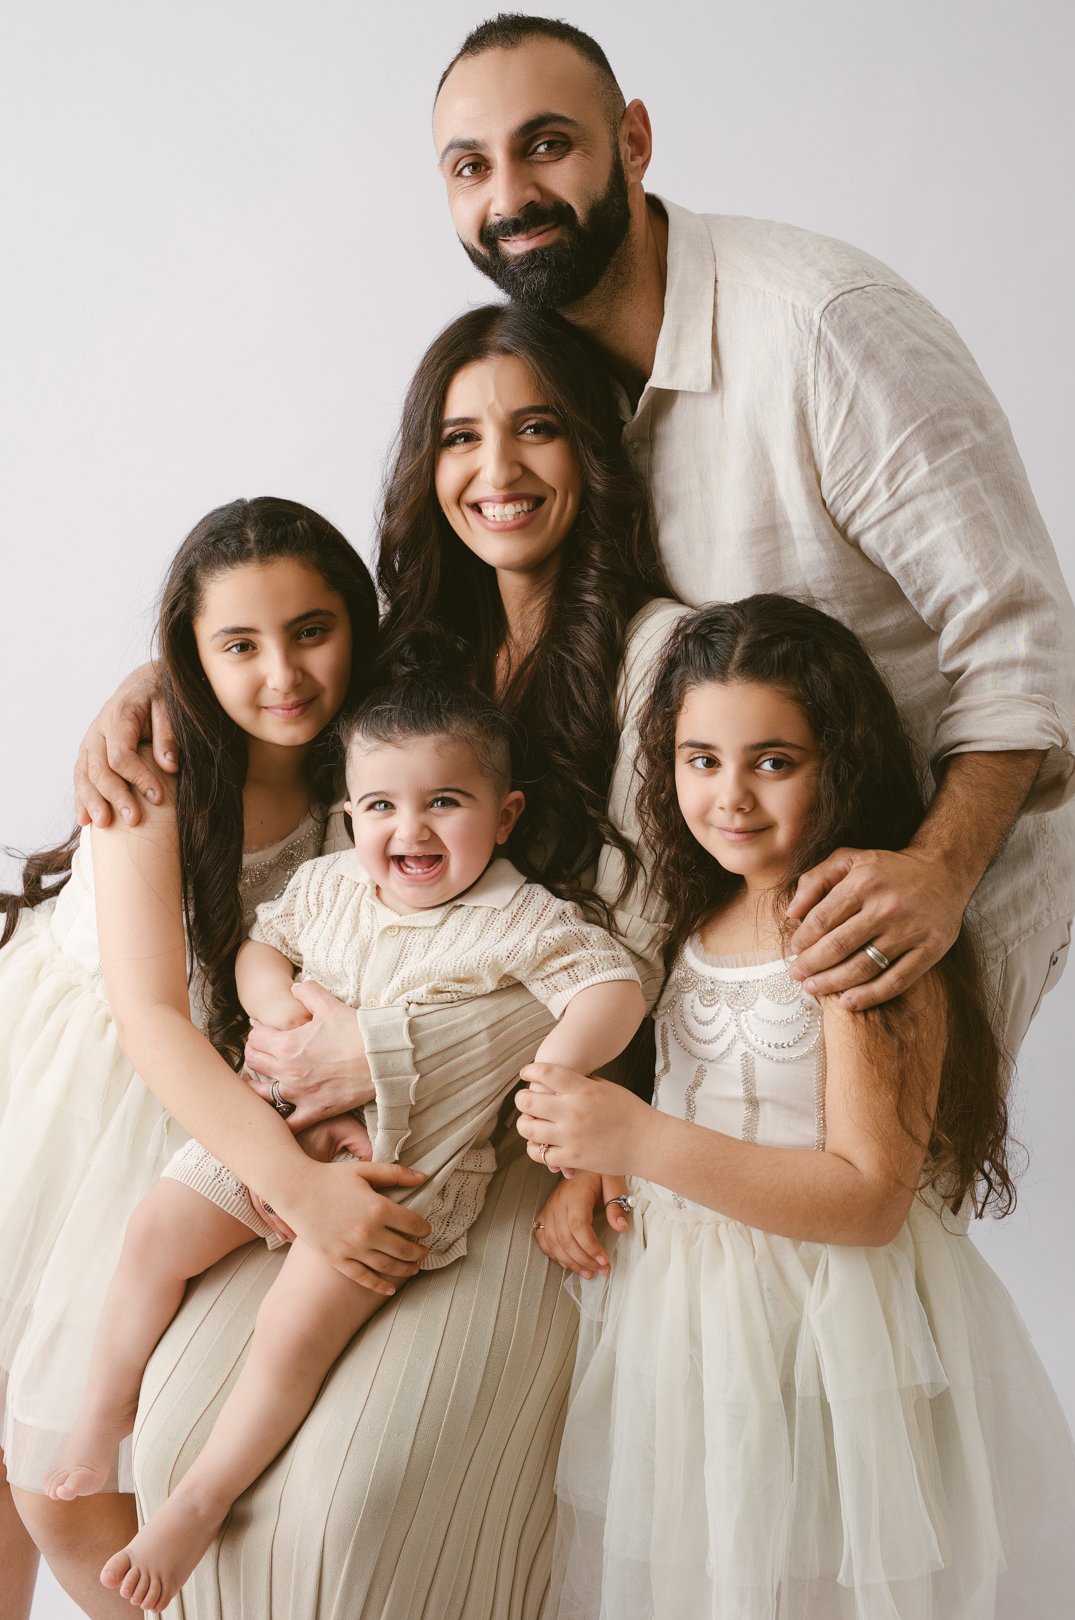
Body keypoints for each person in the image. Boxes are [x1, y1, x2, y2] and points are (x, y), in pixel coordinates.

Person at [71, 306, 684, 1618]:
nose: (499, 467)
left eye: (536, 428)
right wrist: (152, 679)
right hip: (268, 1118)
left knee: (345, 1487)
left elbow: (622, 972)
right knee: (152, 1367)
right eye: (461, 436)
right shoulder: (416, 652)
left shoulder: (654, 659)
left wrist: (473, 1071)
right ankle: (112, 1461)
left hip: (473, 1139)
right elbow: (265, 659)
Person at [429, 14, 1075, 1054]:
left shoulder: (823, 328)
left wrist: (939, 871)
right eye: (471, 166)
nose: (509, 197)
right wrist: (180, 671)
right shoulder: (551, 384)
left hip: (923, 871)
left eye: (547, 145)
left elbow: (1024, 631)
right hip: (713, 904)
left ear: (633, 142)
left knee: (866, 1208)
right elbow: (456, 589)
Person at [515, 596, 1075, 1618]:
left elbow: (868, 1196)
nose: (730, 796)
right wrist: (606, 1163)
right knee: (713, 1570)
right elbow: (700, 1096)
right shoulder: (699, 914)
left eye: (774, 761)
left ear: (841, 764)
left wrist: (638, 1135)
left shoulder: (855, 935)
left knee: (821, 1581)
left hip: (835, 1333)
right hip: (686, 1328)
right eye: (701, 760)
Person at [50, 670, 644, 1613]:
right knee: (155, 1231)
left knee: (292, 1326)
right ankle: (100, 1412)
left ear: (504, 813)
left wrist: (559, 1064)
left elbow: (612, 986)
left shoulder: (520, 916)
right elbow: (260, 945)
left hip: (394, 1181)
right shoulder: (332, 884)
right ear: (350, 811)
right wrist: (273, 1007)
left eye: (443, 803)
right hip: (275, 1130)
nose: (408, 831)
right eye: (379, 805)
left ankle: (201, 1500)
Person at [0, 496, 427, 1619]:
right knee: (23, 1477)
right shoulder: (157, 772)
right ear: (188, 654)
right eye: (238, 644)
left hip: (219, 1087)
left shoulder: (379, 768)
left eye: (312, 630)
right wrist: (302, 1191)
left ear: (360, 626)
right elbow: (150, 1019)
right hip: (81, 1079)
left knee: (74, 1484)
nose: (282, 673)